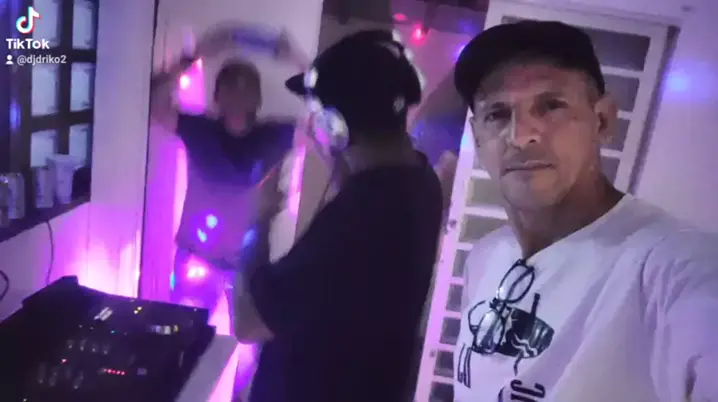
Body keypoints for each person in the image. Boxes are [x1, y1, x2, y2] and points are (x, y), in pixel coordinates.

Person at [451, 20, 718, 402]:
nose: (521, 135)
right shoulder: (485, 257)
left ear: (603, 120)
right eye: (497, 113)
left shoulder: (670, 267)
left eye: (551, 106)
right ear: (477, 137)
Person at [231, 30, 445, 402]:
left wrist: (258, 220)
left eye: (320, 116)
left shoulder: (359, 220)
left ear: (337, 126)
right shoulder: (419, 181)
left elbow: (247, 322)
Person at [148, 26, 295, 400]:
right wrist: (191, 57)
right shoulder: (199, 130)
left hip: (245, 268)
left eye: (246, 89)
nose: (238, 96)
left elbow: (331, 119)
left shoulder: (273, 136)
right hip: (196, 260)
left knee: (247, 359)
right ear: (216, 96)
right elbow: (155, 103)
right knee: (180, 346)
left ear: (258, 98)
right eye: (230, 87)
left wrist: (295, 58)